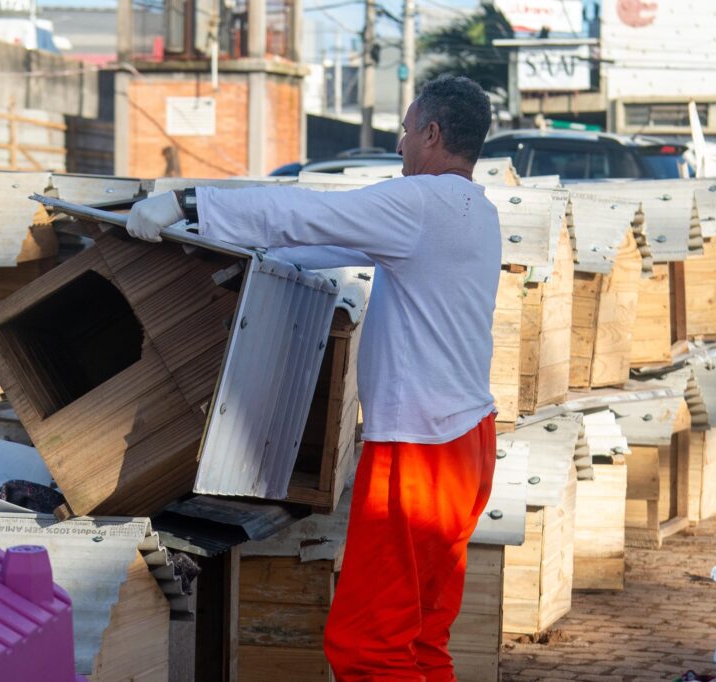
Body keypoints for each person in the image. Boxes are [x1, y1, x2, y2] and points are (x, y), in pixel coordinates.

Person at [127, 75, 500, 681]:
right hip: (466, 445)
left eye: (406, 131)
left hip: (419, 453)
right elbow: (327, 238)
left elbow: (310, 211)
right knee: (422, 637)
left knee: (367, 646)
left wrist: (188, 202)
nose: (401, 145)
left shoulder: (421, 203)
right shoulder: (472, 211)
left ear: (432, 134)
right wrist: (211, 236)